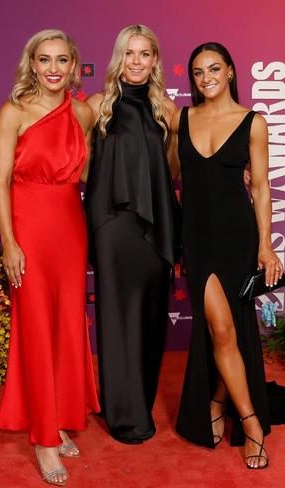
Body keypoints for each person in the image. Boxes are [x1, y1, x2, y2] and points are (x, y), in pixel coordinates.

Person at [0, 29, 100, 486]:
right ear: (31, 65)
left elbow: (90, 172)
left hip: (70, 228)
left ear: (73, 64)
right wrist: (11, 243)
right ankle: (43, 439)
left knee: (65, 326)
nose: (53, 68)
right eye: (44, 60)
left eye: (61, 60)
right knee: (35, 328)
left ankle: (55, 417)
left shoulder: (81, 111)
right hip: (30, 229)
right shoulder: (13, 111)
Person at [170, 41, 283, 469]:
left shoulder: (252, 122)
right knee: (220, 329)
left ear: (231, 71)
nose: (206, 78)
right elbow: (169, 170)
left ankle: (233, 411)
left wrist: (265, 244)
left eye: (214, 69)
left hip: (237, 237)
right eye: (197, 72)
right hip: (196, 239)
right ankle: (249, 419)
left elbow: (261, 187)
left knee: (228, 330)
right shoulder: (182, 119)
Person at [84, 24, 179, 445]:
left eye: (145, 54)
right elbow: (78, 162)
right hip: (112, 224)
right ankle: (125, 413)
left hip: (157, 224)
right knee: (116, 315)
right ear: (117, 58)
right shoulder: (97, 105)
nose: (137, 62)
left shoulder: (168, 110)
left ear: (155, 60)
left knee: (152, 315)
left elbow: (178, 167)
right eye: (129, 53)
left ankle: (137, 397)